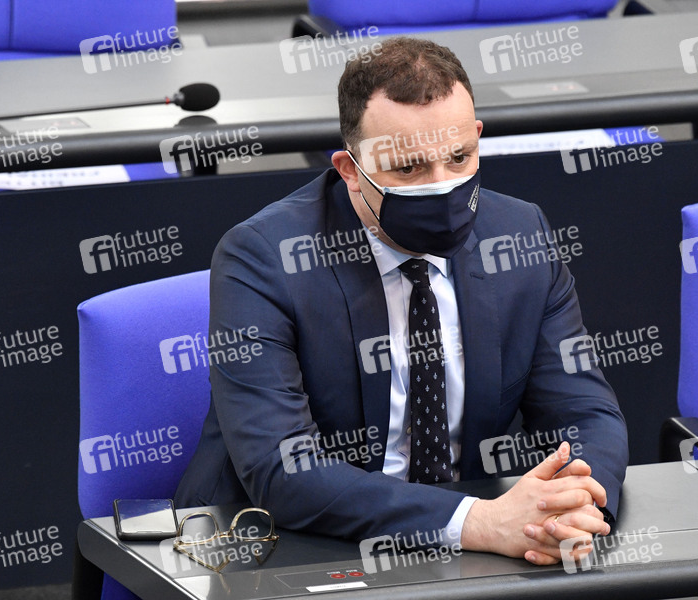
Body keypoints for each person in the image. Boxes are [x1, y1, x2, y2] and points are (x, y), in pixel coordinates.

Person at [176, 36, 628, 565]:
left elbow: (586, 414)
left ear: (477, 138)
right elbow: (283, 470)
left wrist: (574, 504)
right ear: (350, 170)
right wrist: (477, 521)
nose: (442, 186)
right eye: (408, 168)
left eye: (459, 157)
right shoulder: (263, 257)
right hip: (279, 541)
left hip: (475, 546)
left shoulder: (518, 234)